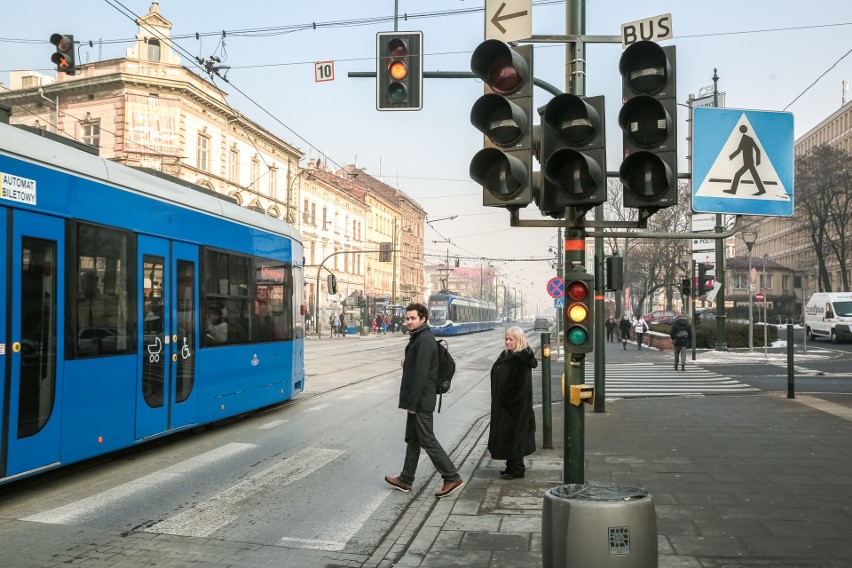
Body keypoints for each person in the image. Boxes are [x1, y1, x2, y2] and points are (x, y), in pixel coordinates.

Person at [385, 302, 464, 498]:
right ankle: (406, 479)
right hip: (419, 399)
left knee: (427, 439)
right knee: (413, 439)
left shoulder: (424, 340)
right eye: (407, 318)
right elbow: (420, 368)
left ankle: (451, 477)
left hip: (421, 400)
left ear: (423, 319)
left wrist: (412, 404)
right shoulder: (419, 337)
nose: (408, 321)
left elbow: (421, 376)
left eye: (412, 318)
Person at [488, 326, 538, 480]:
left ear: (519, 340)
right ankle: (511, 467)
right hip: (507, 406)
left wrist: (506, 401)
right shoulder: (510, 354)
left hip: (514, 407)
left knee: (514, 437)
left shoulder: (519, 359)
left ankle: (517, 469)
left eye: (511, 340)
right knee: (509, 437)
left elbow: (518, 385)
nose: (508, 342)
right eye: (506, 339)